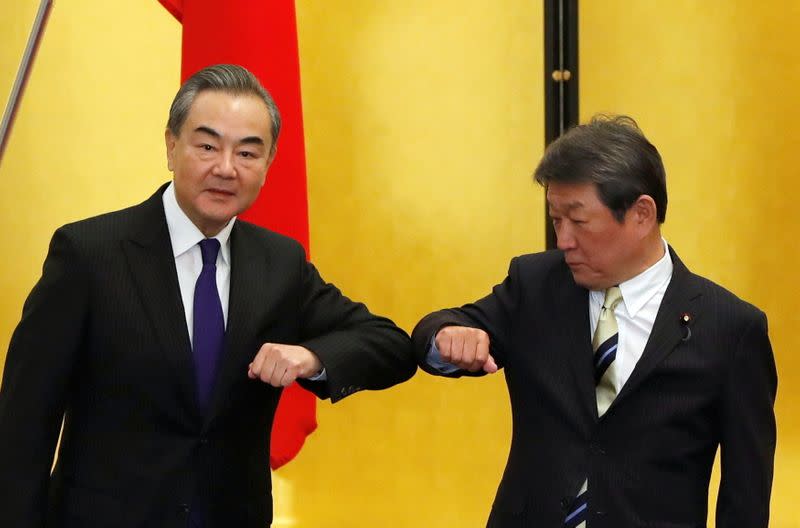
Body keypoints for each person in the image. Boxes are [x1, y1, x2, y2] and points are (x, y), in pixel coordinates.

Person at [0, 64, 416, 527]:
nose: (225, 168)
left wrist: (309, 358)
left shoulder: (278, 263)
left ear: (268, 163)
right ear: (171, 146)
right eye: (207, 145)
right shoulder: (89, 255)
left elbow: (391, 345)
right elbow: (22, 429)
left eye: (248, 152)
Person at [413, 115, 776, 527]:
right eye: (555, 220)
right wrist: (446, 336)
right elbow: (437, 330)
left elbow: (745, 498)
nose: (563, 240)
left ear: (642, 214)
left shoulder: (730, 328)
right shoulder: (534, 286)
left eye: (578, 221)